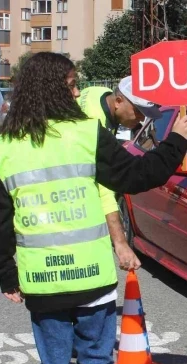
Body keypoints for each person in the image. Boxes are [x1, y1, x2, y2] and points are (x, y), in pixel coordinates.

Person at [0, 52, 187, 364]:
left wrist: (6, 274)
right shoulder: (85, 133)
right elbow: (135, 176)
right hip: (92, 278)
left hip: (41, 281)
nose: (78, 92)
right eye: (73, 84)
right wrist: (177, 141)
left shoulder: (4, 146)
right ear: (54, 87)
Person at [78, 76, 163, 272]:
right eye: (139, 112)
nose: (142, 119)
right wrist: (120, 242)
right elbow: (104, 189)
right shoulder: (94, 123)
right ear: (118, 102)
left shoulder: (99, 92)